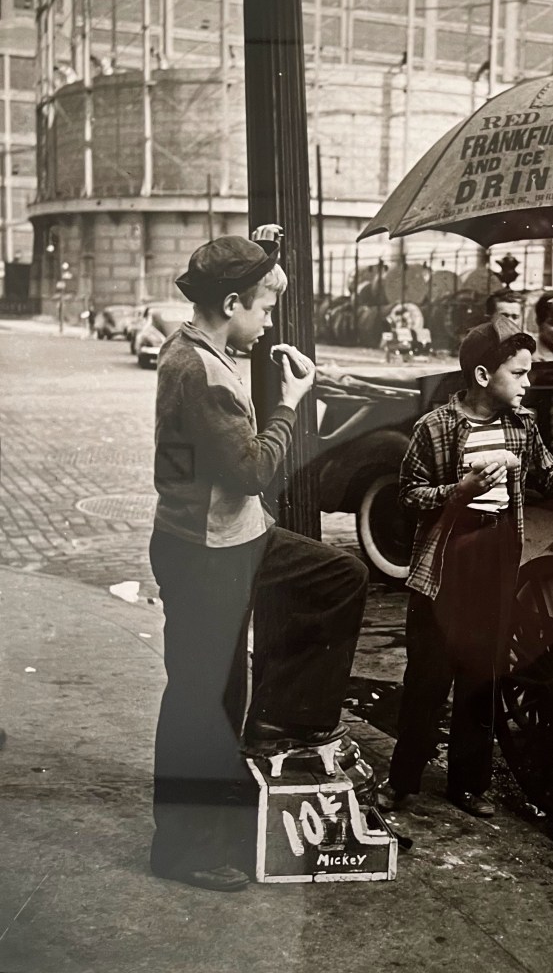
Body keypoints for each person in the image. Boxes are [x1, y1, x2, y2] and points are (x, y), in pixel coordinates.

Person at [150, 235, 368, 892]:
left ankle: (274, 731)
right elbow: (251, 471)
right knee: (200, 699)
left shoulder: (194, 343)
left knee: (337, 577)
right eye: (266, 306)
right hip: (210, 550)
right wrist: (290, 402)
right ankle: (180, 849)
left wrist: (267, 246)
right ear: (232, 302)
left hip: (220, 538)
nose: (270, 320)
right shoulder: (205, 374)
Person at [375, 316, 553, 818]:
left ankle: (467, 785)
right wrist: (460, 491)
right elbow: (407, 497)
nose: (527, 382)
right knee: (428, 678)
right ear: (481, 376)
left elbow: (550, 474)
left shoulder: (522, 426)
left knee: (482, 676)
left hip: (497, 558)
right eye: (518, 373)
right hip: (447, 563)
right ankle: (402, 782)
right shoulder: (435, 428)